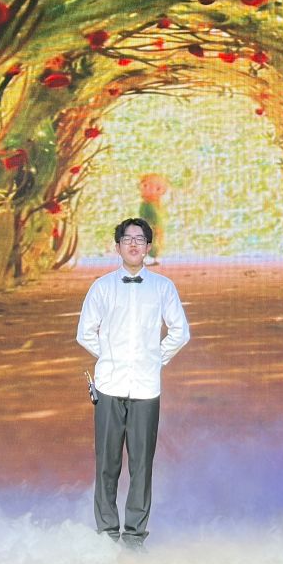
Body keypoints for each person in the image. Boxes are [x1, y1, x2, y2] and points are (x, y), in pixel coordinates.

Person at [75, 217, 191, 546]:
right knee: (107, 463)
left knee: (141, 465)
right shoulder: (102, 287)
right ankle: (107, 533)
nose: (134, 244)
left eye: (140, 239)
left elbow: (180, 332)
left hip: (145, 387)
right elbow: (85, 332)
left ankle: (135, 536)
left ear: (148, 247)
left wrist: (155, 358)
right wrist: (109, 356)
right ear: (118, 247)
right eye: (127, 239)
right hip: (109, 386)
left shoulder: (163, 287)